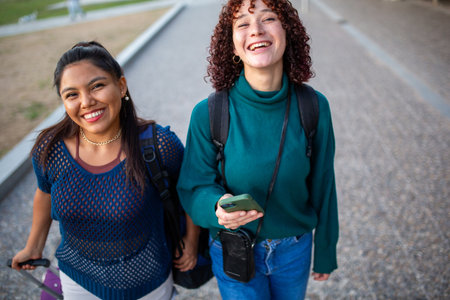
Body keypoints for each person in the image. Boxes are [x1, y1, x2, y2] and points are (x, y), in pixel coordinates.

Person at [11, 41, 200, 300]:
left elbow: (191, 191)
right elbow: (44, 193)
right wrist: (33, 246)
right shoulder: (51, 149)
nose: (87, 102)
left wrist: (190, 241)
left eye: (97, 86)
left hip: (149, 282)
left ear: (121, 86)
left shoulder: (158, 144)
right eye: (72, 94)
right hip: (79, 281)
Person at [176, 0, 338, 299]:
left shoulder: (314, 106)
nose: (256, 30)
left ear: (287, 32)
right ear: (233, 46)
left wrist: (326, 250)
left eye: (268, 18)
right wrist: (216, 208)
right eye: (242, 24)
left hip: (295, 251)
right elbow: (193, 186)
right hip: (233, 249)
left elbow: (324, 185)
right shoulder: (209, 113)